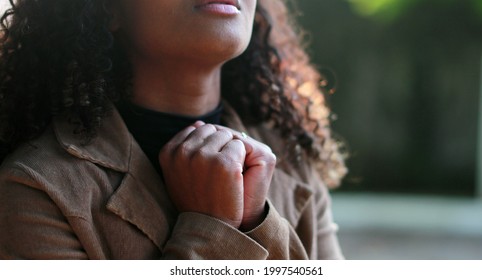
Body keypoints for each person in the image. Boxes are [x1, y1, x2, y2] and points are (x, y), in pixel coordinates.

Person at [0, 0, 347, 259]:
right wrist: (214, 227)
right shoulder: (34, 188)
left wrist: (257, 219)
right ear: (106, 9)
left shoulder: (293, 157)